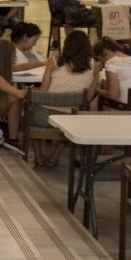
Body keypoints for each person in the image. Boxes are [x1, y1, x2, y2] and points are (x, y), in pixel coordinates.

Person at [30, 31, 98, 167]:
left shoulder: (54, 61)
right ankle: (55, 156)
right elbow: (88, 98)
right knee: (71, 122)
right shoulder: (94, 65)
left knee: (33, 108)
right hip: (70, 117)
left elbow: (43, 92)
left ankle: (38, 156)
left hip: (44, 117)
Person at [93, 37, 131, 112]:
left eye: (101, 60)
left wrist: (97, 89)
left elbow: (112, 95)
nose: (103, 65)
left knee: (96, 105)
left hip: (128, 110)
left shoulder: (111, 62)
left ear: (105, 54)